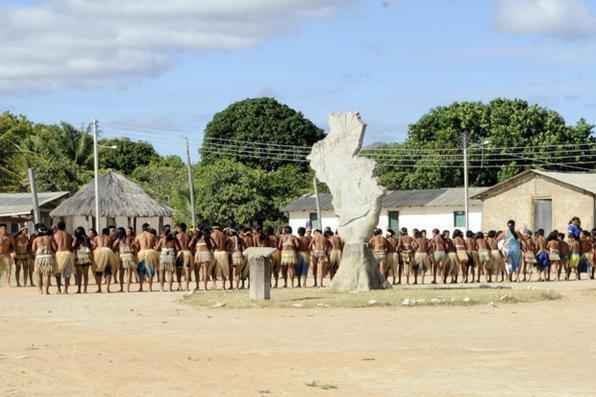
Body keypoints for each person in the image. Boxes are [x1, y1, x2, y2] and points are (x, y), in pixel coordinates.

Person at [31, 224, 56, 294]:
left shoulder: (36, 239)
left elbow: (33, 249)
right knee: (46, 274)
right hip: (48, 256)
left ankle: (40, 290)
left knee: (38, 274)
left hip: (39, 257)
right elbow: (54, 248)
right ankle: (46, 291)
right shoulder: (49, 238)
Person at [135, 223, 160, 292]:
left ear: (142, 228)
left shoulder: (139, 236)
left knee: (141, 270)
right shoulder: (152, 235)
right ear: (148, 228)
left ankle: (141, 287)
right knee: (150, 270)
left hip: (141, 252)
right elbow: (157, 246)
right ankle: (150, 288)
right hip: (150, 252)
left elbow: (136, 246)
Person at [93, 228, 118, 293]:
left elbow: (94, 246)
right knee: (108, 270)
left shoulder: (96, 237)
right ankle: (107, 288)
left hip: (99, 251)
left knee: (98, 270)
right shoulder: (109, 237)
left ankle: (99, 288)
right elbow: (112, 247)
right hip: (107, 251)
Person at [113, 227, 137, 293]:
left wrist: (119, 247)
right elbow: (136, 245)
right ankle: (127, 289)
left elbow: (113, 246)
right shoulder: (130, 238)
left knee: (121, 272)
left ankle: (121, 288)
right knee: (129, 273)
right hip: (129, 255)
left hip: (122, 255)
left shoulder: (118, 239)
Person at [156, 225, 180, 292]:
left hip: (163, 255)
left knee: (161, 272)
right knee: (170, 273)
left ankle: (162, 288)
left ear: (164, 232)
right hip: (171, 255)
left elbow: (157, 248)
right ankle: (170, 288)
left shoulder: (162, 239)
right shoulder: (173, 239)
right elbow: (177, 248)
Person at [53, 221, 74, 294]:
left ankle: (59, 289)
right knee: (67, 273)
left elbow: (54, 246)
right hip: (67, 253)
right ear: (64, 227)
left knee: (57, 272)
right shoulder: (68, 235)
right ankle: (66, 289)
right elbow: (71, 246)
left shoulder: (55, 235)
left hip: (59, 253)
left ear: (58, 227)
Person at [73, 226, 92, 293]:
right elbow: (89, 247)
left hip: (79, 256)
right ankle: (85, 289)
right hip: (86, 256)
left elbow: (73, 246)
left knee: (79, 275)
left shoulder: (77, 239)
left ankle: (79, 289)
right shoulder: (87, 238)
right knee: (85, 274)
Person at [211, 225, 231, 290]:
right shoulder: (224, 235)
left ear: (214, 228)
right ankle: (223, 286)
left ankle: (214, 284)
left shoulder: (213, 234)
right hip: (223, 252)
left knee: (213, 269)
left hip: (216, 252)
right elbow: (228, 242)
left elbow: (213, 245)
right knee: (223, 270)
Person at [175, 223, 194, 292]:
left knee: (178, 270)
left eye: (177, 228)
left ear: (180, 228)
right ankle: (187, 287)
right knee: (187, 270)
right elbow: (191, 245)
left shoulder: (177, 236)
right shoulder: (188, 236)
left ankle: (179, 285)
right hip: (188, 252)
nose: (176, 229)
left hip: (180, 253)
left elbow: (176, 247)